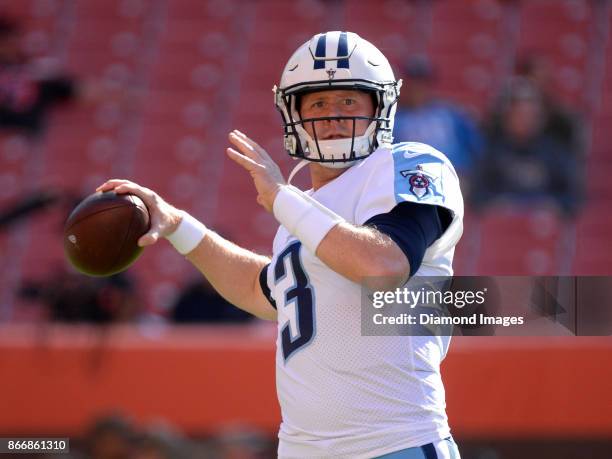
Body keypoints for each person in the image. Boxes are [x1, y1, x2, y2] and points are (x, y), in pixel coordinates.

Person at [98, 31, 463, 459]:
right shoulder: (301, 210)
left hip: (393, 443)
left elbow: (382, 266)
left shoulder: (409, 164)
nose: (332, 117)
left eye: (348, 101)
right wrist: (179, 224)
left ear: (379, 107)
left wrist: (281, 199)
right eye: (318, 103)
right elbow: (260, 289)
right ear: (294, 113)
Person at [393, 55, 483, 192]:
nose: (418, 89)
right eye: (413, 83)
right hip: (410, 179)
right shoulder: (394, 119)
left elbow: (476, 147)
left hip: (453, 175)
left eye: (423, 83)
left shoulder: (449, 113)